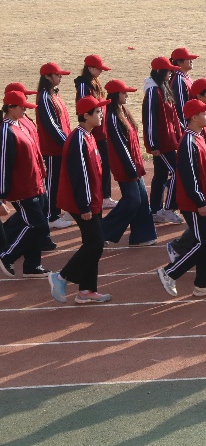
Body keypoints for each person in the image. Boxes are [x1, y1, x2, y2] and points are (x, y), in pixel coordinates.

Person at [156, 99, 206, 297]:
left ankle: (202, 284)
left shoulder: (198, 137)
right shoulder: (189, 142)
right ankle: (170, 272)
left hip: (205, 200)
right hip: (194, 204)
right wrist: (200, 201)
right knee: (203, 243)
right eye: (204, 113)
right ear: (194, 117)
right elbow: (190, 176)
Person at [48, 96, 111, 304]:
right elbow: (79, 176)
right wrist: (85, 206)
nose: (101, 115)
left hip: (92, 200)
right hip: (82, 202)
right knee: (96, 243)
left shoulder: (88, 135)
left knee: (92, 243)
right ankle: (61, 277)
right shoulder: (78, 139)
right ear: (86, 115)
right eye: (98, 112)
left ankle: (86, 290)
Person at [101, 79, 158, 247]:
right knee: (132, 200)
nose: (126, 95)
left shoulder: (122, 112)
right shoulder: (112, 116)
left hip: (133, 164)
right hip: (125, 166)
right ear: (115, 95)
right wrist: (131, 168)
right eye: (124, 92)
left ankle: (142, 236)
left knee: (141, 200)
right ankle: (101, 232)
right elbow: (120, 145)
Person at [0, 90, 50, 277]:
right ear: (10, 107)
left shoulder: (20, 125)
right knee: (38, 226)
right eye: (22, 107)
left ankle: (32, 265)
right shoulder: (6, 130)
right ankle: (7, 256)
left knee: (37, 225)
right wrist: (2, 193)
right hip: (22, 189)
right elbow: (3, 163)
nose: (25, 110)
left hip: (35, 185)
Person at [142, 57, 183, 224]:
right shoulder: (153, 92)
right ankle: (168, 208)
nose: (171, 73)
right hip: (162, 143)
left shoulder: (162, 88)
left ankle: (155, 210)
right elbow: (150, 118)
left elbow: (172, 116)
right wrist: (153, 144)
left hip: (169, 141)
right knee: (176, 171)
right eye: (168, 70)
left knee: (160, 175)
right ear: (159, 71)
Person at [36, 62, 74, 229]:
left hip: (59, 147)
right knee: (52, 182)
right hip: (52, 148)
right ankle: (51, 216)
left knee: (59, 181)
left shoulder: (54, 95)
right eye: (57, 75)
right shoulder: (45, 97)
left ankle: (57, 212)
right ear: (47, 77)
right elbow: (52, 125)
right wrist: (67, 143)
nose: (60, 77)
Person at [74, 55, 114, 208]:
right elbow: (84, 108)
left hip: (101, 131)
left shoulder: (94, 82)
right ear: (90, 68)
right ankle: (100, 197)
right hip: (94, 132)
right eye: (99, 69)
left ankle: (105, 196)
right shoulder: (84, 86)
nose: (101, 72)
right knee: (98, 165)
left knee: (105, 163)